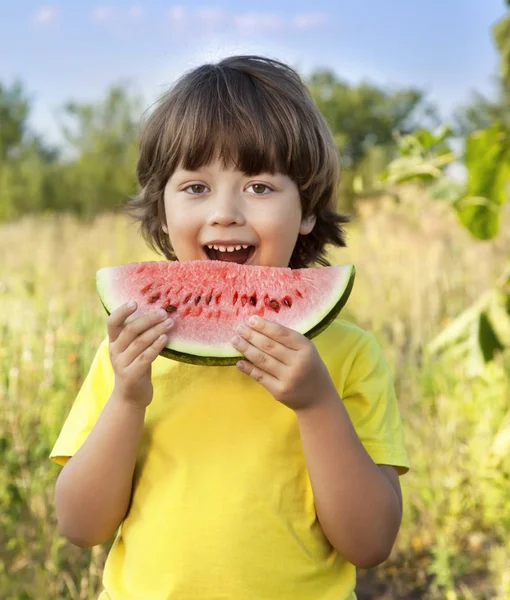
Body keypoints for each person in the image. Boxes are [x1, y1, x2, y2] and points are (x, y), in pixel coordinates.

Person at [51, 55, 410, 600]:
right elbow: (81, 526)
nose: (225, 212)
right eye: (195, 187)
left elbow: (370, 542)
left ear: (308, 210)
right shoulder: (132, 351)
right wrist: (126, 399)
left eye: (260, 187)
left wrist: (317, 404)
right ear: (163, 210)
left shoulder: (349, 354)